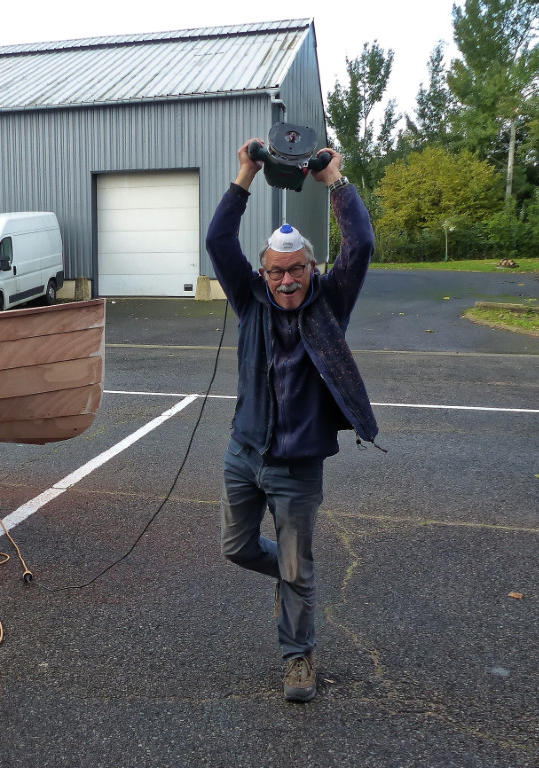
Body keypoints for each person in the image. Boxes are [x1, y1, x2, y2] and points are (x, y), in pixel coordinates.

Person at [204, 138, 378, 702]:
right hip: (244, 453)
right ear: (262, 271)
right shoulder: (249, 298)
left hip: (298, 466)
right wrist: (245, 174)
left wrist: (336, 182)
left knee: (298, 569)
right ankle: (296, 570)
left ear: (312, 267)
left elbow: (362, 244)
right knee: (236, 548)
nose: (286, 281)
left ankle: (298, 659)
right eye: (277, 272)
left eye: (297, 270)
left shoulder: (330, 302)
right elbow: (217, 240)